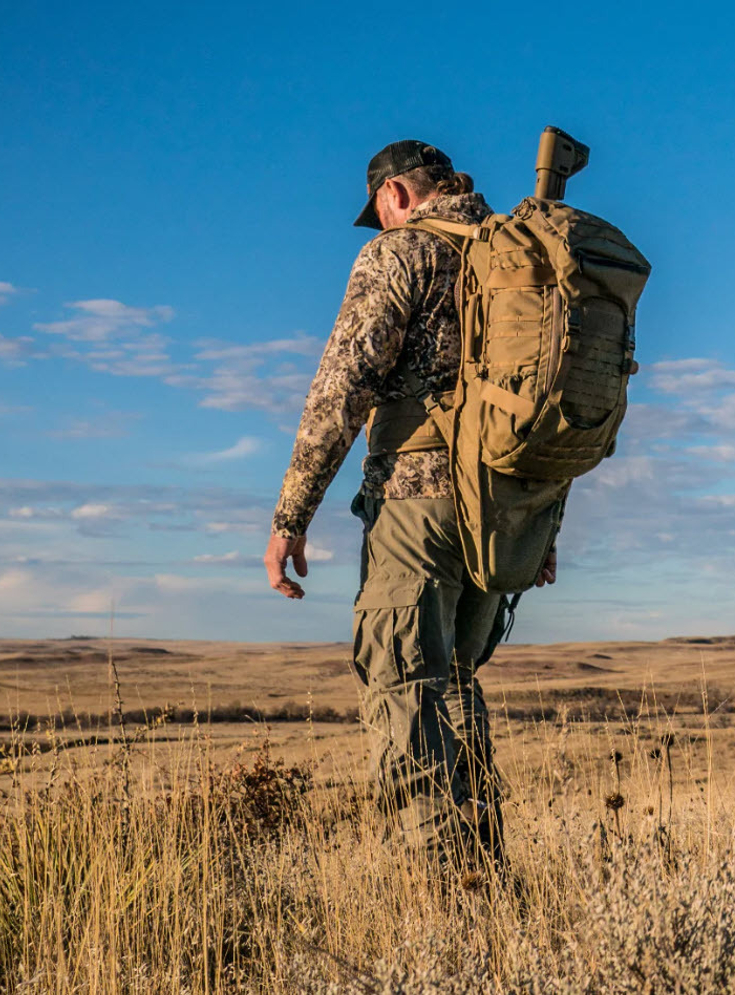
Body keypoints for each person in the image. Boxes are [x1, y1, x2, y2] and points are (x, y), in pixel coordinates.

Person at [263, 140, 557, 863]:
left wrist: (289, 515)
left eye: (380, 214)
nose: (382, 226)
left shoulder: (399, 255)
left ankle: (442, 901)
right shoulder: (517, 257)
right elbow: (547, 397)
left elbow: (342, 387)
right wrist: (541, 529)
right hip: (505, 509)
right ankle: (486, 879)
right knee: (455, 682)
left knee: (403, 684)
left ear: (394, 194)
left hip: (415, 505)